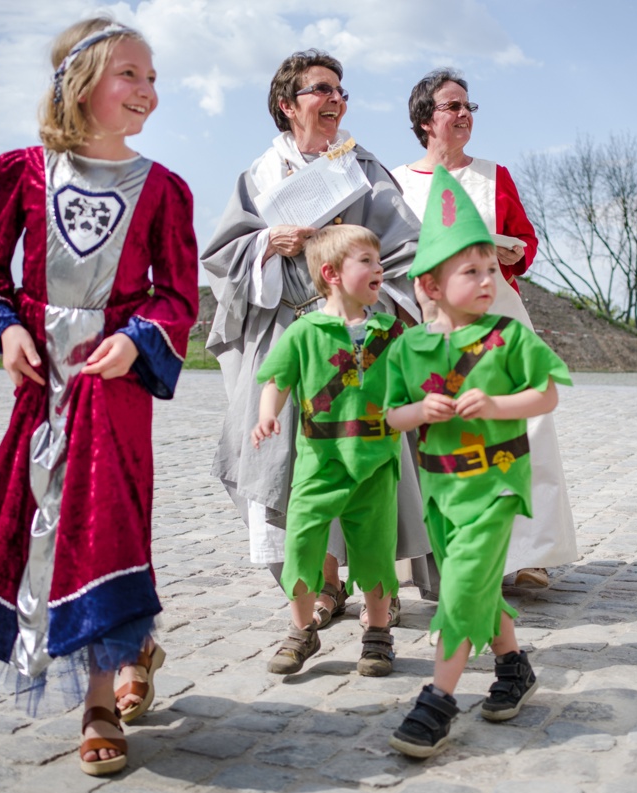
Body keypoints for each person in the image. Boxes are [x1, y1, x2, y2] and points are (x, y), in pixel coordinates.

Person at [0, 17, 199, 777]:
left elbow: (177, 293)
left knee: (106, 520)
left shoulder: (164, 189)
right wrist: (6, 329)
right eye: (131, 75)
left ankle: (98, 699)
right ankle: (131, 641)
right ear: (80, 84)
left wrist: (139, 339)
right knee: (40, 521)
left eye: (153, 78)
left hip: (111, 386)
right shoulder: (21, 171)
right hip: (40, 380)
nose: (148, 90)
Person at [202, 49, 430, 622]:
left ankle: (378, 581)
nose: (335, 100)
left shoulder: (362, 168)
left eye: (340, 91)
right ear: (287, 105)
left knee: (364, 453)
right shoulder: (257, 176)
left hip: (356, 335)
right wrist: (266, 245)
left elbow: (408, 246)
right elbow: (222, 256)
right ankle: (324, 583)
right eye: (321, 90)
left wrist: (355, 261)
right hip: (288, 330)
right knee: (297, 462)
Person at [384, 167, 572, 759]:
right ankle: (513, 667)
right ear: (431, 287)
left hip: (495, 485)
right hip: (442, 491)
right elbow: (388, 418)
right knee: (479, 582)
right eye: (472, 271)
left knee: (462, 585)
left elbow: (547, 393)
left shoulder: (510, 338)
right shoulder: (411, 347)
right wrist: (418, 411)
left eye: (492, 268)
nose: (489, 279)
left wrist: (496, 403)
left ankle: (437, 700)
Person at [391, 68, 577, 590]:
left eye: (469, 105)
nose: (465, 113)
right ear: (426, 119)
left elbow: (525, 242)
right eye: (453, 106)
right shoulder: (397, 182)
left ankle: (531, 553)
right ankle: (432, 554)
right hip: (430, 323)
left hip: (500, 313)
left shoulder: (496, 176)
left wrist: (505, 251)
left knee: (526, 428)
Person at [251, 225, 401, 676]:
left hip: (375, 462)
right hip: (318, 463)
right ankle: (301, 631)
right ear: (332, 273)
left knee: (375, 551)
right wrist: (267, 414)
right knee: (301, 544)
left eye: (378, 260)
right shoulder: (304, 331)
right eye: (368, 261)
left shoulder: (390, 330)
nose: (380, 268)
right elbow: (278, 380)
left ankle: (377, 634)